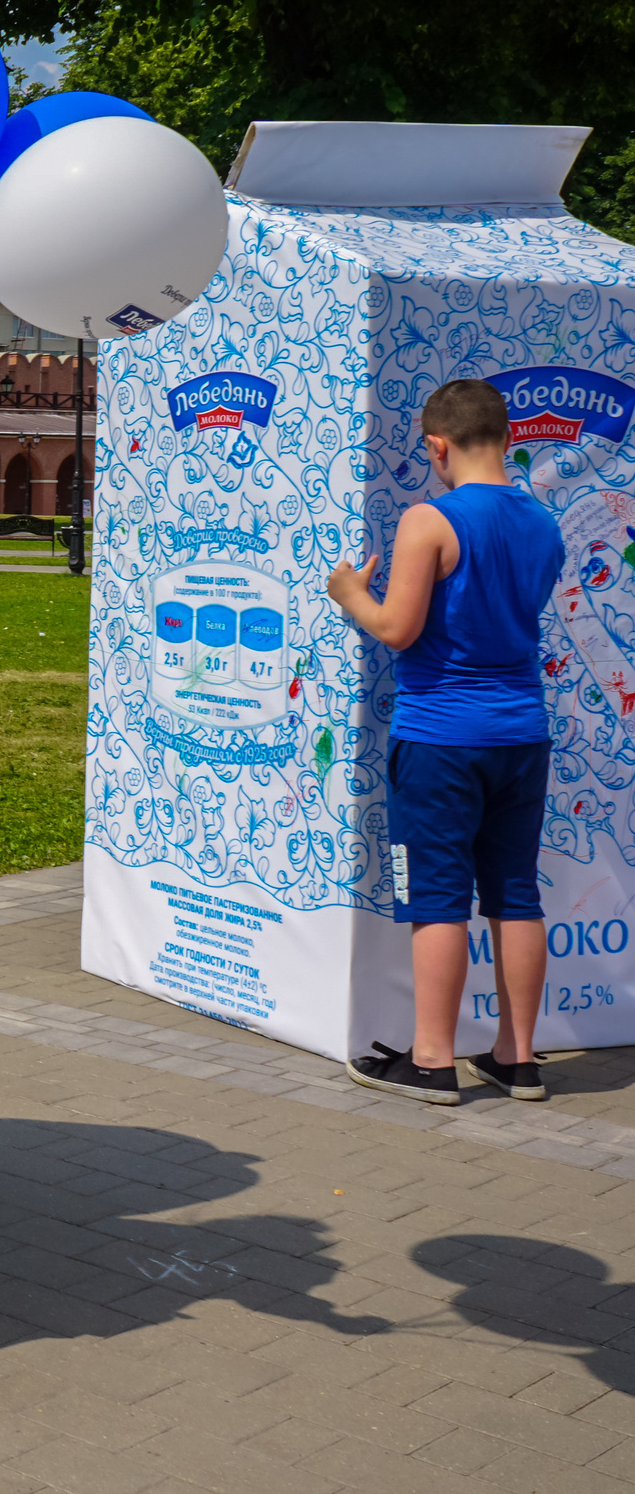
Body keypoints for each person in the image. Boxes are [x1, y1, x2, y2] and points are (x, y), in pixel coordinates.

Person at [330, 378, 564, 1104]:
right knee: (515, 893)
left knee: (437, 896)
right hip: (522, 733)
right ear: (510, 437)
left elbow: (398, 627)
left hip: (438, 737)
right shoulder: (544, 523)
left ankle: (432, 1059)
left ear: (438, 445)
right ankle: (518, 1058)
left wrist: (350, 593)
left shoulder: (429, 521)